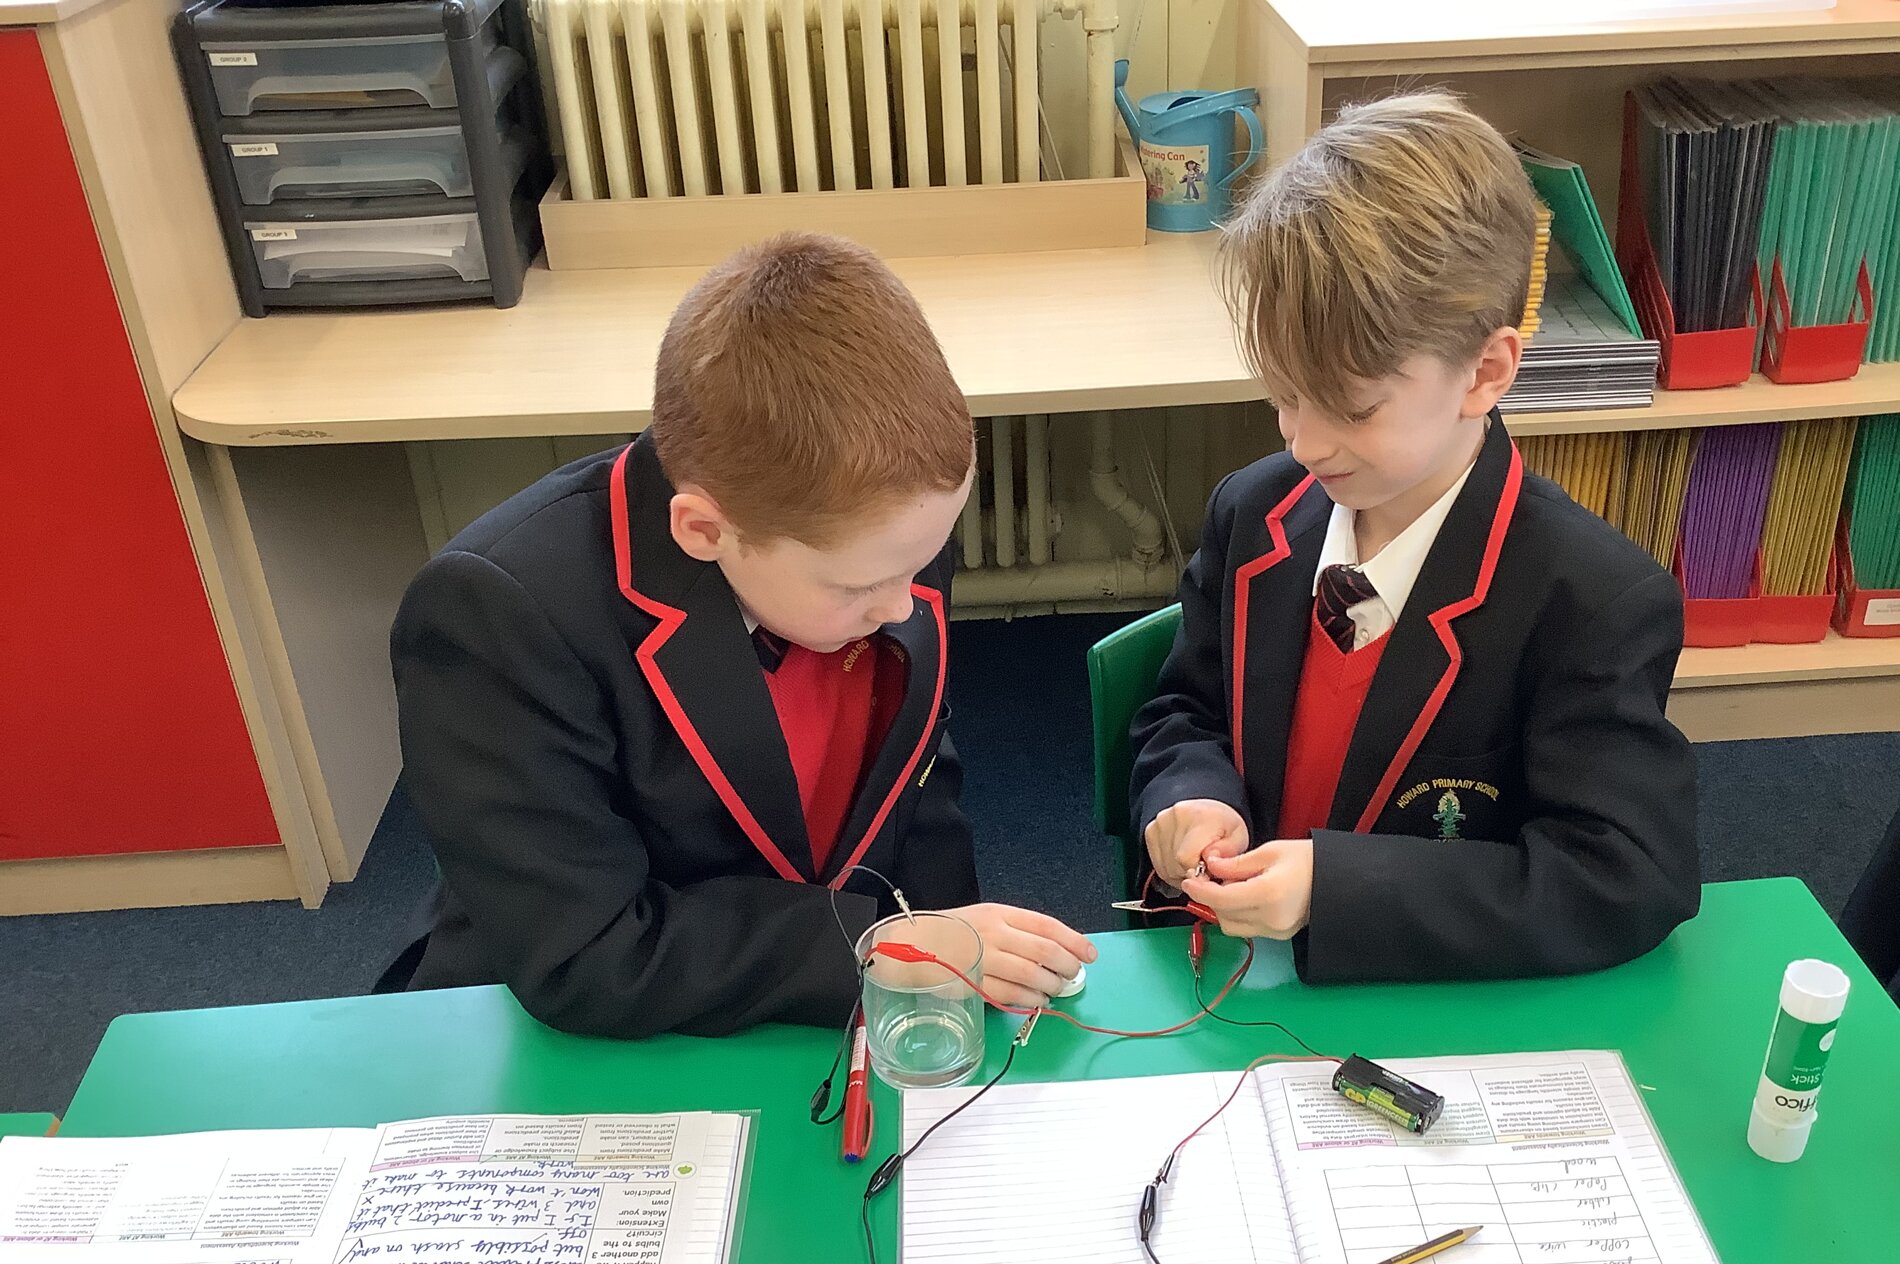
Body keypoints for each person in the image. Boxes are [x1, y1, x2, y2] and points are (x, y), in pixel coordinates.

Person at [385, 232, 1095, 1037]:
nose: (905, 605)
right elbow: (586, 954)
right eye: (861, 585)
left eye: (924, 562)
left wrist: (945, 941)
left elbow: (914, 777)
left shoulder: (884, 532)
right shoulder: (498, 614)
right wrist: (872, 947)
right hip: (584, 1015)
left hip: (832, 986)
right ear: (703, 530)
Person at [1130, 93, 1700, 982]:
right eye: (1282, 390)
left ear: (1486, 372)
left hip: (1420, 1001)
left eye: (1352, 408)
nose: (1303, 441)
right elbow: (1183, 709)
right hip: (1224, 981)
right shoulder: (1254, 513)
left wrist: (1340, 887)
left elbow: (1625, 876)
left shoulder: (1593, 601)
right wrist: (1190, 794)